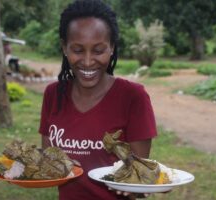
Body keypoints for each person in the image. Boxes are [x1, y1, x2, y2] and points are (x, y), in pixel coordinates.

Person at [39, 0, 157, 199]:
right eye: (77, 50)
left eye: (98, 50)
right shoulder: (53, 94)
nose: (87, 61)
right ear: (64, 48)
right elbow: (48, 161)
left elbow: (139, 175)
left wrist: (140, 187)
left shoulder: (133, 97)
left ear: (111, 47)